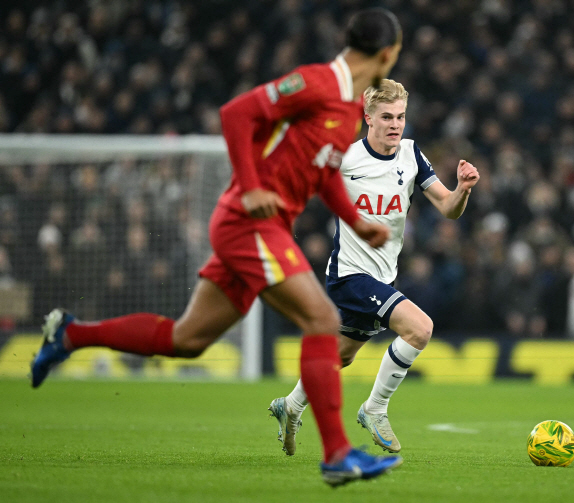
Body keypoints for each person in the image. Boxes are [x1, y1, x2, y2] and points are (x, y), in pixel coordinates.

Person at [30, 8, 403, 487]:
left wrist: (357, 221)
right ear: (389, 53)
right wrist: (249, 186)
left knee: (187, 340)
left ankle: (69, 335)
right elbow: (236, 114)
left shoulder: (350, 108)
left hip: (263, 228)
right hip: (247, 221)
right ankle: (337, 455)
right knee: (323, 320)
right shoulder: (316, 83)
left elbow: (325, 173)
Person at [269, 79, 479, 454]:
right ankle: (374, 409)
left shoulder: (412, 155)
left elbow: (448, 210)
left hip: (383, 276)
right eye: (386, 117)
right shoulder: (346, 160)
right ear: (368, 118)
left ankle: (291, 406)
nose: (395, 124)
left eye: (400, 116)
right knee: (420, 329)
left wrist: (462, 189)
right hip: (350, 275)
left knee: (342, 356)